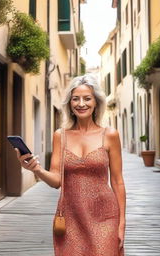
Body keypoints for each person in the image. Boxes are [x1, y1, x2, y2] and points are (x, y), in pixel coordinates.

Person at [15, 73, 126, 256]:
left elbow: (118, 182)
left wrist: (122, 223)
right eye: (76, 99)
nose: (81, 104)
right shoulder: (61, 135)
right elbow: (56, 180)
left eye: (87, 98)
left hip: (106, 216)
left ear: (96, 102)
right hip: (71, 217)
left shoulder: (110, 135)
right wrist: (36, 169)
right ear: (69, 103)